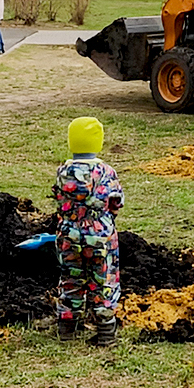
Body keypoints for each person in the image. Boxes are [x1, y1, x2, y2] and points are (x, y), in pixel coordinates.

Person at [54, 117, 125, 346]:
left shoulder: (63, 171)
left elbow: (59, 199)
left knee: (71, 278)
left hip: (69, 233)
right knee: (103, 280)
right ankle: (105, 332)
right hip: (100, 236)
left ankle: (67, 328)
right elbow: (117, 202)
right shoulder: (106, 172)